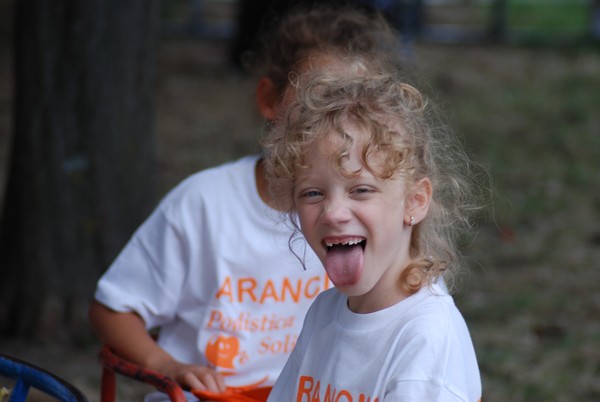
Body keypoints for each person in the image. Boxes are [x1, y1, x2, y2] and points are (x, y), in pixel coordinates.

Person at [88, 4, 400, 402]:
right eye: (317, 99)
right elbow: (112, 307)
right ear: (270, 100)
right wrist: (166, 364)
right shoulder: (204, 203)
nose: (333, 123)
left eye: (355, 106)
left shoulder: (381, 219)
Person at [262, 57, 482, 401]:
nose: (333, 213)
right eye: (312, 193)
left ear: (415, 201)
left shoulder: (425, 337)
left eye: (361, 189)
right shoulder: (324, 312)